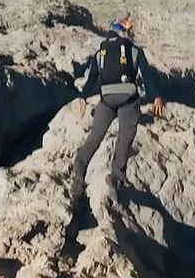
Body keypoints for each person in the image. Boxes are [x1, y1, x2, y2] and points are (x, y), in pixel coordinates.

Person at [70, 17, 164, 205]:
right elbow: (146, 75)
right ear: (122, 32)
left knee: (95, 138)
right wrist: (157, 96)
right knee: (125, 137)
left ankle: (79, 173)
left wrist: (82, 96)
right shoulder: (134, 50)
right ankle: (115, 177)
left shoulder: (101, 52)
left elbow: (93, 78)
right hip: (128, 98)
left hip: (106, 99)